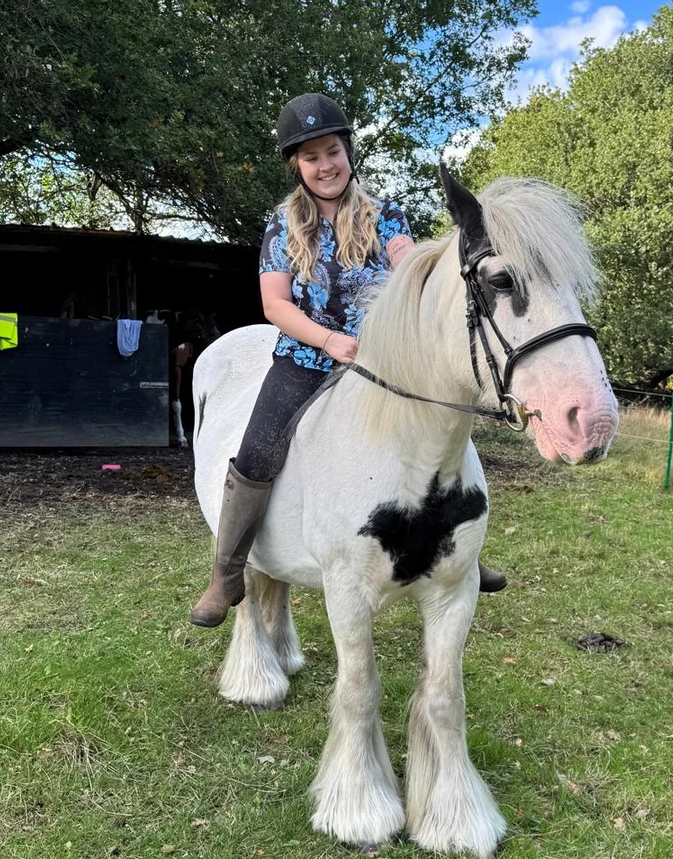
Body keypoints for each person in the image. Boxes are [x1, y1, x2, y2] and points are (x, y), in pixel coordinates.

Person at [190, 92, 506, 628]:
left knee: (441, 436)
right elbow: (275, 305)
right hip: (304, 359)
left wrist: (422, 268)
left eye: (332, 151)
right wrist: (327, 340)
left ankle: (460, 549)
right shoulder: (281, 226)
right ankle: (227, 572)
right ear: (297, 166)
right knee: (256, 452)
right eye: (311, 157)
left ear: (348, 152)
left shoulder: (386, 215)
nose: (325, 165)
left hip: (381, 362)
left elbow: (408, 263)